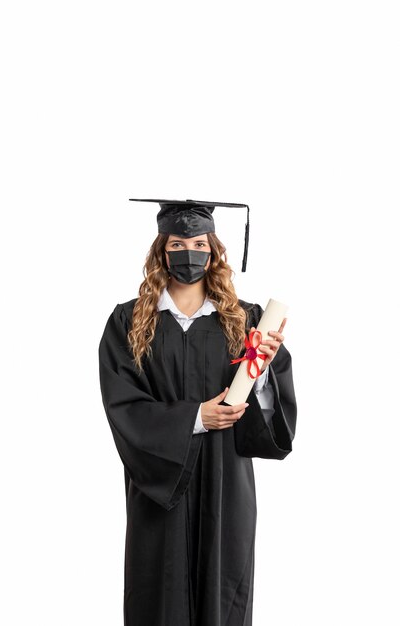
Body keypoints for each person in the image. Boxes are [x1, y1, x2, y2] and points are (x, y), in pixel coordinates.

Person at [98, 198, 297, 626]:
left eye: (199, 244)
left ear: (214, 250)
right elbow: (123, 406)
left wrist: (260, 371)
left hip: (227, 479)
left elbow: (272, 410)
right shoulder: (129, 321)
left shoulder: (246, 320)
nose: (189, 253)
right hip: (160, 484)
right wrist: (195, 418)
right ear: (160, 251)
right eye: (177, 244)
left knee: (224, 589)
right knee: (159, 591)